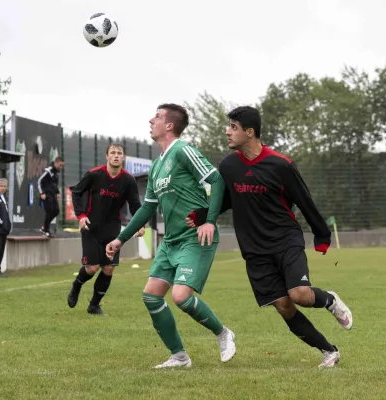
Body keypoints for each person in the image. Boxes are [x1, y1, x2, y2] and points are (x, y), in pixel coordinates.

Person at [186, 105, 352, 368]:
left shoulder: (281, 165)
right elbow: (227, 199)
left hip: (285, 239)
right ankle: (329, 351)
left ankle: (329, 300)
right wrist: (203, 215)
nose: (227, 132)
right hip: (254, 249)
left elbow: (304, 200)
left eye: (233, 127)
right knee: (285, 306)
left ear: (250, 132)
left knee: (298, 294)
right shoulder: (228, 165)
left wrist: (322, 235)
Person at [105, 104, 236, 368]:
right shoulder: (156, 167)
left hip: (194, 238)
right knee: (151, 296)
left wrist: (209, 221)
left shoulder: (182, 150)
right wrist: (121, 239)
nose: (150, 119)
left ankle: (223, 333)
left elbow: (217, 181)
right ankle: (179, 356)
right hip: (171, 242)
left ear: (169, 126)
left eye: (157, 116)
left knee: (180, 297)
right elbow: (147, 208)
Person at [67, 143, 144, 315]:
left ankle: (94, 305)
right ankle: (77, 284)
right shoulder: (94, 174)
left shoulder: (128, 180)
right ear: (107, 156)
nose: (116, 156)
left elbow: (135, 205)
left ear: (123, 158)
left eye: (119, 153)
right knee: (92, 268)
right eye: (113, 153)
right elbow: (77, 192)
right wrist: (81, 216)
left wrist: (140, 224)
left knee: (109, 268)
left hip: (113, 228)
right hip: (91, 227)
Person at [38, 156, 65, 237]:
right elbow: (39, 181)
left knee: (56, 211)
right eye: (60, 165)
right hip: (46, 195)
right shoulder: (48, 170)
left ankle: (44, 227)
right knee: (49, 212)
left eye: (62, 166)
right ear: (56, 163)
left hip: (53, 195)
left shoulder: (56, 172)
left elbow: (54, 184)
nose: (61, 167)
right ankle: (46, 230)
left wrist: (58, 192)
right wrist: (41, 193)